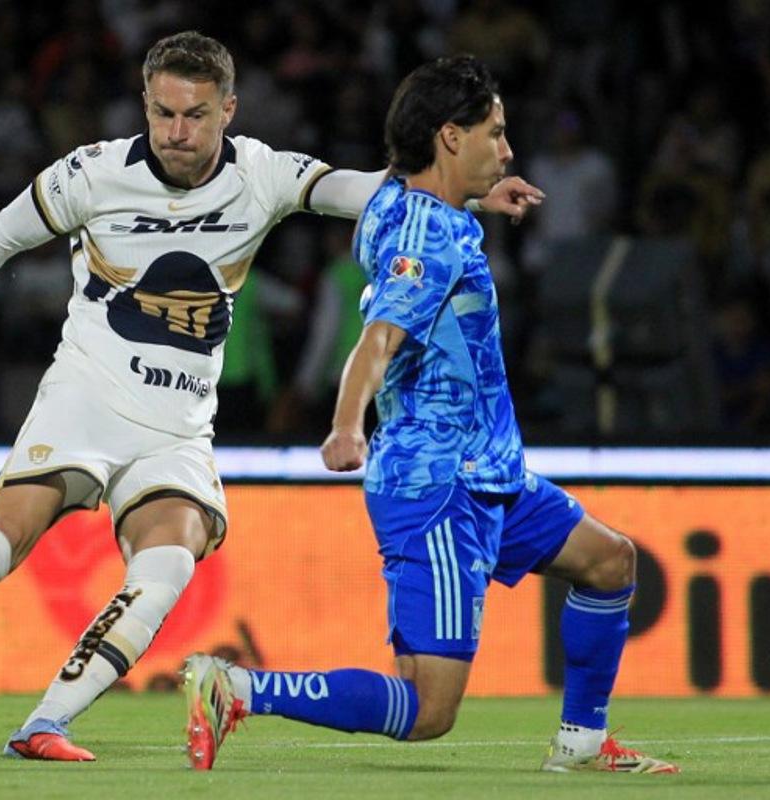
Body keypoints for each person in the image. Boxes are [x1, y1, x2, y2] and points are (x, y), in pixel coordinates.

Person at [0, 32, 541, 761]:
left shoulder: (261, 174)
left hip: (178, 424)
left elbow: (363, 189)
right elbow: (3, 236)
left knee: (170, 563)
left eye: (193, 115)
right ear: (146, 106)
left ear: (228, 109)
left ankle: (44, 724)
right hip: (87, 396)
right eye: (162, 114)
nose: (176, 132)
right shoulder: (92, 173)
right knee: (5, 533)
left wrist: (468, 190)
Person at [182, 55, 679, 775]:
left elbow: (416, 207)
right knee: (427, 711)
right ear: (451, 136)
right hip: (440, 483)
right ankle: (238, 687)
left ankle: (583, 744)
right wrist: (346, 423)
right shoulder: (431, 240)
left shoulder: (397, 203)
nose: (508, 150)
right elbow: (379, 337)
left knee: (609, 562)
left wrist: (478, 196)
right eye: (495, 134)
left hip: (489, 474)